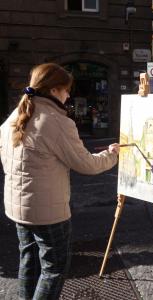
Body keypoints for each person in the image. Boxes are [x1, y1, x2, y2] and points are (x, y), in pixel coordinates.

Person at [0, 63, 120, 300]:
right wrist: (112, 154)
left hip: (17, 206)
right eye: (66, 90)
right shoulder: (56, 121)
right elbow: (86, 164)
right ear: (54, 90)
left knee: (29, 261)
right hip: (48, 212)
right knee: (54, 269)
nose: (68, 95)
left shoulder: (16, 115)